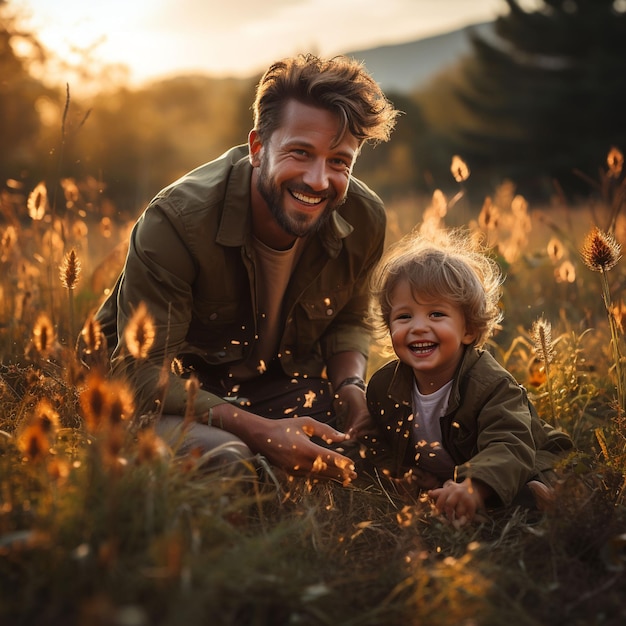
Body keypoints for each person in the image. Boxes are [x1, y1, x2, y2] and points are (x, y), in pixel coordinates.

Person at [91, 54, 399, 484]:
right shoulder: (177, 221)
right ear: (258, 149)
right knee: (227, 460)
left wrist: (351, 389)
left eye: (338, 162)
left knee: (401, 431)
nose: (317, 180)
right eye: (300, 152)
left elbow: (348, 319)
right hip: (169, 395)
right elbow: (139, 375)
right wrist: (262, 433)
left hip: (272, 385)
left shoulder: (365, 219)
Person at [366, 228, 573, 524]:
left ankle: (549, 501)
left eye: (436, 314)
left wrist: (475, 487)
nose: (418, 327)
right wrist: (401, 476)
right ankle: (466, 500)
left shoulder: (491, 386)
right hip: (451, 472)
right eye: (404, 316)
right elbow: (378, 439)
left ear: (469, 330)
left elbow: (509, 443)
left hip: (524, 458)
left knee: (528, 484)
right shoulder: (383, 387)